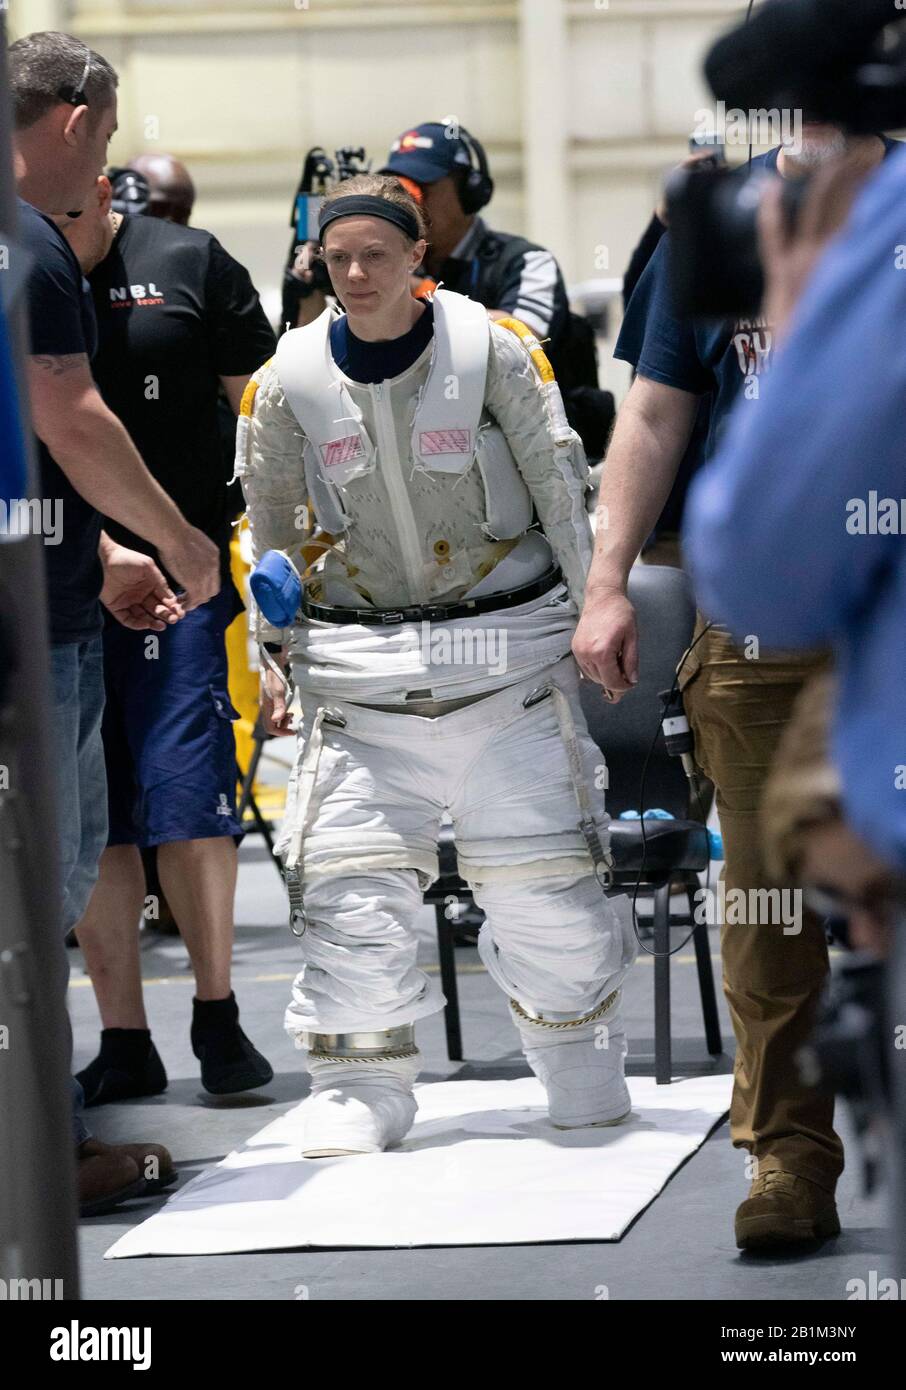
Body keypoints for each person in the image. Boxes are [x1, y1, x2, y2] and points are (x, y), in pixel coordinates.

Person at [237, 173, 636, 1157]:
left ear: (422, 258)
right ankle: (361, 1080)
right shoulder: (287, 381)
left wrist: (600, 609)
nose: (359, 272)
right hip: (361, 683)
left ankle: (578, 1055)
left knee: (545, 891)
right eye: (339, 259)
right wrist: (273, 644)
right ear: (319, 266)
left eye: (379, 253)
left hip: (504, 668)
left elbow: (560, 481)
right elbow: (275, 527)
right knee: (347, 891)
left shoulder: (494, 352)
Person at [573, 121, 898, 1251]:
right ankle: (787, 1159)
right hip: (763, 618)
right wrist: (607, 579)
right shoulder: (719, 222)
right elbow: (656, 412)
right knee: (765, 905)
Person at [10, 29, 220, 1214]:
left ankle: (42, 1136)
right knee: (41, 885)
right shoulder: (29, 247)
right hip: (26, 635)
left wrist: (95, 549)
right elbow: (71, 416)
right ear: (82, 119)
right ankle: (30, 1154)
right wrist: (184, 541)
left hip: (47, 587)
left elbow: (20, 443)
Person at [58, 175, 276, 1103]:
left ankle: (217, 1013)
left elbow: (266, 414)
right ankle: (124, 1034)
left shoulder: (188, 262)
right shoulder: (21, 265)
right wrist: (100, 547)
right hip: (67, 573)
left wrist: (272, 555)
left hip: (186, 576)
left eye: (74, 213)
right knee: (93, 806)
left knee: (187, 789)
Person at [379, 121, 615, 461]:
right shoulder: (387, 267)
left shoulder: (526, 261)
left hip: (527, 453)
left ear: (468, 189)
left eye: (422, 188)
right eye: (400, 191)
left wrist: (420, 294)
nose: (410, 203)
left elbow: (520, 339)